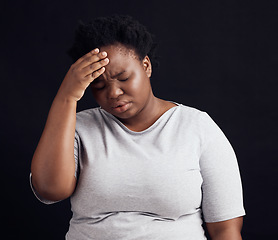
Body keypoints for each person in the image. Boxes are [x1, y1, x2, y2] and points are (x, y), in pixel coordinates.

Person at [30, 15, 245, 240]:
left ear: (146, 65)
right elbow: (50, 190)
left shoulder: (197, 127)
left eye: (123, 78)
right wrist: (66, 97)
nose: (113, 93)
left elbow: (225, 229)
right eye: (99, 85)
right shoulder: (79, 127)